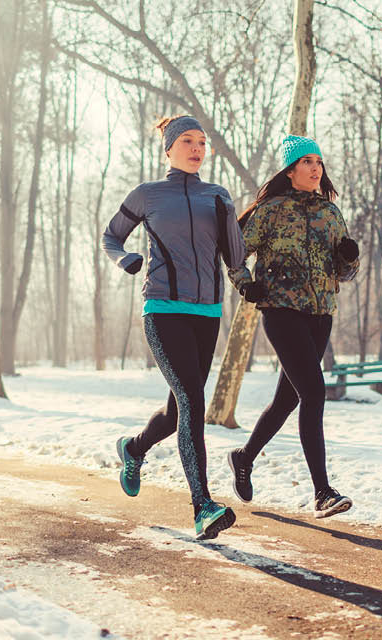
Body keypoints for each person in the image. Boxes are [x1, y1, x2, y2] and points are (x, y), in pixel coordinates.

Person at [102, 115, 246, 540]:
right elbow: (111, 237)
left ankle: (133, 448)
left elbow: (235, 256)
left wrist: (228, 217)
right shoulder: (148, 194)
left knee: (176, 411)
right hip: (163, 308)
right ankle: (203, 506)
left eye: (202, 142)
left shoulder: (216, 195)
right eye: (187, 140)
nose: (197, 148)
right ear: (168, 149)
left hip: (208, 313)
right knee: (192, 401)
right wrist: (125, 260)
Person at [225, 134, 360, 518]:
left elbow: (344, 272)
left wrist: (349, 259)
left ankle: (244, 457)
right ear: (290, 169)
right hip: (281, 311)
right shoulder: (270, 211)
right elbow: (234, 253)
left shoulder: (330, 213)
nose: (315, 168)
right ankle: (322, 492)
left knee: (288, 399)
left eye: (318, 161)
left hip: (321, 314)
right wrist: (246, 285)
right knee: (314, 393)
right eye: (306, 162)